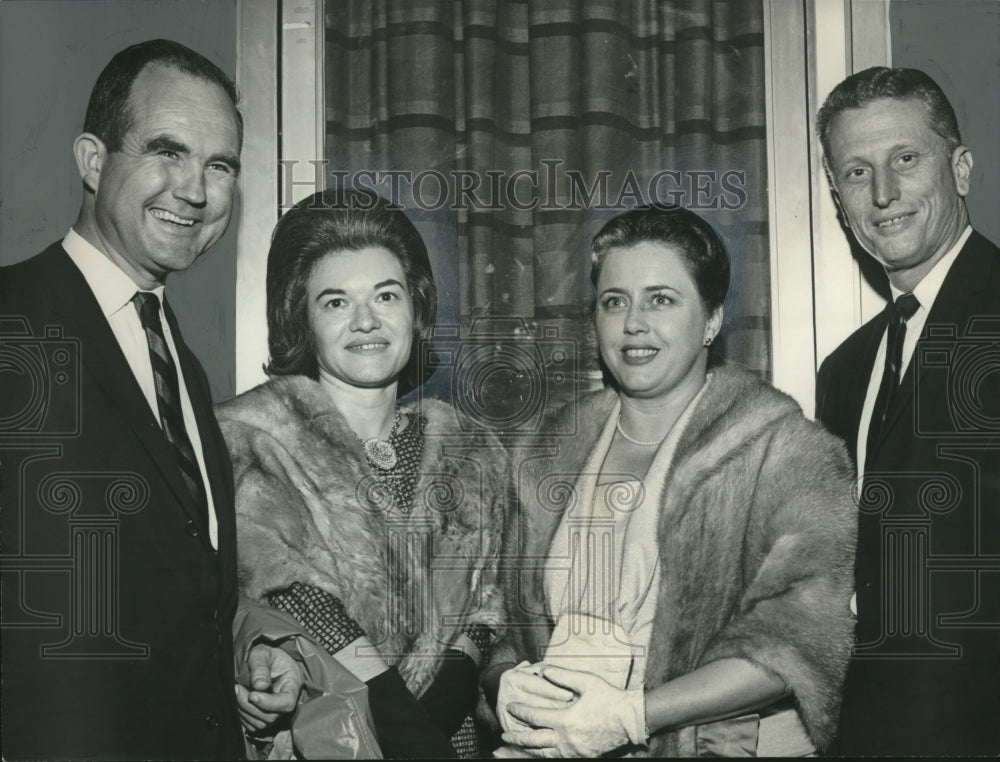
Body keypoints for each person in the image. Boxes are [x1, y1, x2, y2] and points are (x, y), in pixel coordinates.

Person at [0, 39, 300, 760]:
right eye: (167, 150)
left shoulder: (180, 366)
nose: (195, 190)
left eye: (219, 165)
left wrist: (244, 647)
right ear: (94, 161)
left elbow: (169, 581)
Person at [485, 206, 858, 757]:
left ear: (710, 321)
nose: (634, 322)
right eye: (615, 302)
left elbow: (800, 645)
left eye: (661, 299)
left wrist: (632, 716)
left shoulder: (784, 453)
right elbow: (499, 627)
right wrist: (504, 683)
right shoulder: (547, 454)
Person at [214, 188, 509, 758]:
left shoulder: (475, 450)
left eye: (386, 295)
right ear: (300, 316)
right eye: (335, 302)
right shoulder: (249, 438)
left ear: (416, 309)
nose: (367, 321)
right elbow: (294, 601)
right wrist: (401, 726)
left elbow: (485, 610)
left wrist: (437, 719)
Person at [815, 66, 1000, 756]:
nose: (884, 193)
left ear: (960, 168)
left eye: (905, 159)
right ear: (838, 199)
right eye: (856, 173)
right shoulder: (844, 369)